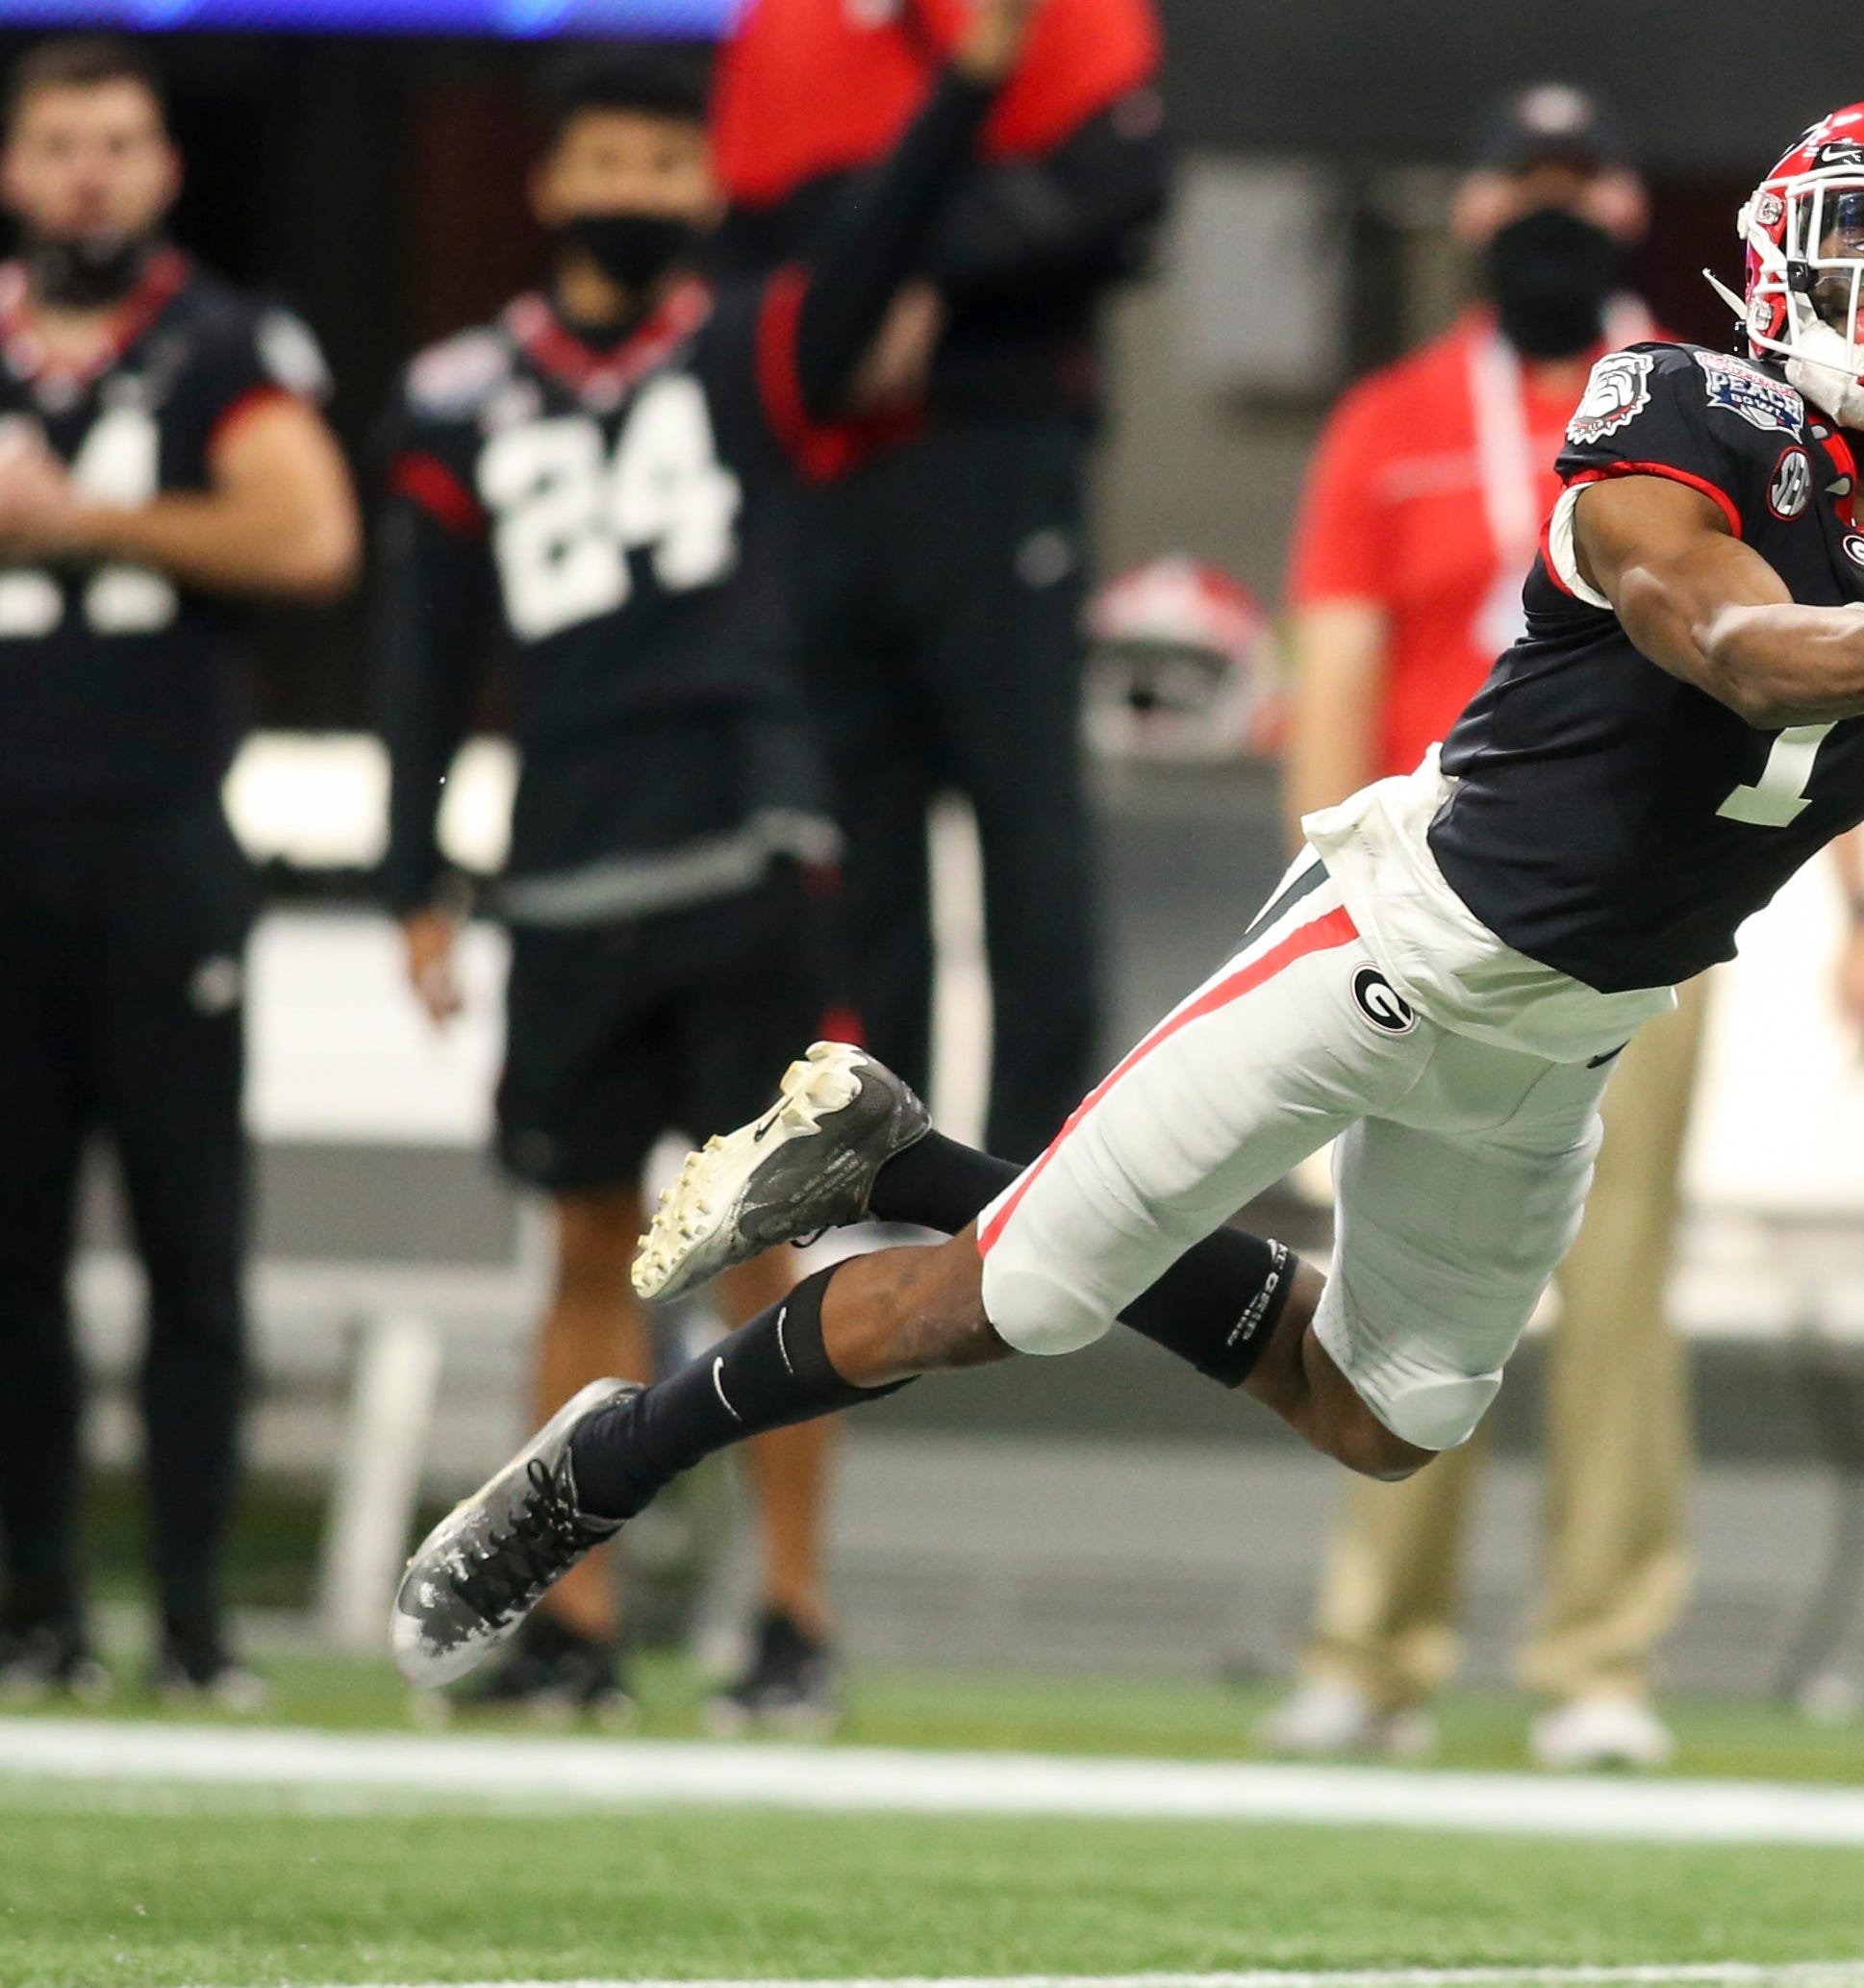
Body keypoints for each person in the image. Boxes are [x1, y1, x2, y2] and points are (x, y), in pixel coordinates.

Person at [388, 91, 1864, 1699]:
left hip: (1572, 1031)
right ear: (1778, 246)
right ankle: (608, 1458)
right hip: (1401, 935)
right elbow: (1727, 640)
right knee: (1016, 1299)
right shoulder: (1673, 403)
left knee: (1379, 1417)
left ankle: (901, 1150)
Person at [375, 13, 1024, 1727]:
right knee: (587, 1242)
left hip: (747, 842)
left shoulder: (747, 349)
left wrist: (967, 82)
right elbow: (422, 658)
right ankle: (576, 1619)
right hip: (574, 859)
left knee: (761, 1242)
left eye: (667, 163)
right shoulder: (457, 393)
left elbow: (887, 235)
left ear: (703, 183)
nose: (637, 189)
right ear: (549, 181)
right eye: (609, 161)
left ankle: (787, 1613)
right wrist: (413, 866)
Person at [1255, 84, 1864, 1772]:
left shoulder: (1730, 412)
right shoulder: (1386, 420)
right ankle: (1372, 1652)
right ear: (1468, 214)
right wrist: (1313, 879)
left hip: (1648, 912)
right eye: (1517, 185)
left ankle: (1600, 1656)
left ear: (1626, 213)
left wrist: (1863, 909)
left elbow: (1820, 650)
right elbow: (1327, 670)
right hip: (1415, 898)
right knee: (1385, 1279)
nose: (1547, 213)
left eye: (1576, 187)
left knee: (1614, 1291)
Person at [0, 38, 357, 1708]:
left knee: (186, 1247)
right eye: (58, 143)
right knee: (11, 1259)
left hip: (157, 845)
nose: (87, 173)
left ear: (163, 170)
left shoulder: (224, 339)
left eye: (117, 143)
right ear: (15, 169)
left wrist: (82, 524)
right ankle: (36, 1604)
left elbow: (307, 533)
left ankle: (199, 1614)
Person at [712, 0, 1168, 1162]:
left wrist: (919, 285)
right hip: (833, 471)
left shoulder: (1061, 15)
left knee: (1026, 820)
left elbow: (1121, 201)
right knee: (855, 835)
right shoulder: (784, 26)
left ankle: (1039, 1175)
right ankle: (868, 1167)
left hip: (996, 451)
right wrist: (842, 305)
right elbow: (747, 241)